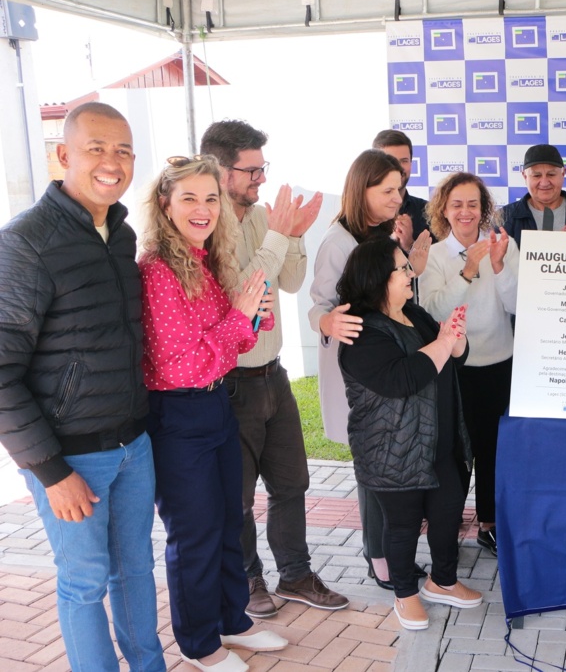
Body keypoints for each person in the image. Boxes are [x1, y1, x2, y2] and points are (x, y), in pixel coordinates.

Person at [0, 102, 166, 672]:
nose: (111, 162)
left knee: (137, 570)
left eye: (122, 150)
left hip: (132, 445)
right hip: (70, 457)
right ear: (64, 155)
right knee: (84, 582)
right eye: (96, 148)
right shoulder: (26, 242)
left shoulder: (119, 234)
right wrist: (51, 472)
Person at [140, 155, 287, 672]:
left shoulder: (203, 258)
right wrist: (239, 320)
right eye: (189, 198)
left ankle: (231, 620)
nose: (203, 209)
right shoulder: (158, 270)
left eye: (210, 198)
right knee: (195, 533)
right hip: (179, 416)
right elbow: (182, 362)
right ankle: (199, 643)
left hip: (216, 404)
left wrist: (248, 317)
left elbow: (230, 342)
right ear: (165, 204)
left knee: (229, 518)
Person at [199, 120, 347, 618]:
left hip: (273, 374)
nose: (261, 178)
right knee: (238, 497)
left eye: (264, 168)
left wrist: (295, 237)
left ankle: (296, 575)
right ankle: (249, 579)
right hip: (230, 382)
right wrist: (279, 235)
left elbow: (290, 280)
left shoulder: (265, 217)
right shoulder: (202, 227)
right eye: (252, 170)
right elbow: (241, 293)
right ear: (220, 170)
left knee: (292, 483)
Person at [338, 236, 482, 631]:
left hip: (439, 443)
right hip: (392, 450)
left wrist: (456, 337)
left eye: (406, 267)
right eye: (401, 269)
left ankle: (444, 581)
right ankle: (405, 594)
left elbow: (454, 356)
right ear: (375, 279)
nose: (408, 274)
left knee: (447, 513)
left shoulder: (414, 314)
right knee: (401, 528)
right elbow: (405, 378)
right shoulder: (362, 332)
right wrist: (444, 342)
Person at [308, 149, 432, 589]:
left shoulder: (383, 233)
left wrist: (411, 267)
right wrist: (325, 321)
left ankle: (389, 551)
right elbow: (318, 306)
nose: (399, 198)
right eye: (388, 191)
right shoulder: (336, 241)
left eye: (400, 189)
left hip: (387, 369)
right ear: (362, 190)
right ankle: (378, 556)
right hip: (359, 372)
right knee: (373, 466)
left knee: (390, 460)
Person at [420, 172, 518, 557]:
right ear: (444, 208)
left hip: (499, 363)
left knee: (495, 450)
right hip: (454, 368)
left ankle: (490, 525)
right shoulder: (435, 256)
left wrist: (497, 266)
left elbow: (516, 304)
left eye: (473, 204)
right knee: (456, 451)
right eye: (457, 204)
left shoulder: (503, 246)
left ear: (484, 209)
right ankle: (448, 523)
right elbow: (432, 312)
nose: (465, 212)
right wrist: (467, 273)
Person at [500, 144, 566, 246]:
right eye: (536, 176)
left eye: (551, 174)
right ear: (525, 176)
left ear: (563, 173)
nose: (544, 183)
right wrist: (556, 245)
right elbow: (496, 262)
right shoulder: (505, 217)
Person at [373, 129, 431, 251]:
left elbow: (437, 266)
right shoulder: (362, 214)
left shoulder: (429, 212)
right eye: (391, 160)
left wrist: (410, 245)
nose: (398, 167)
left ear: (411, 163)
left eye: (404, 161)